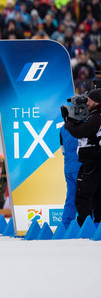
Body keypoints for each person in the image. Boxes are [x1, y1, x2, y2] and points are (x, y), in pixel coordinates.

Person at [63, 88, 101, 226]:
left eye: (89, 99)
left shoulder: (96, 117)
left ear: (96, 102)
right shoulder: (94, 117)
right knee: (97, 195)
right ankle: (97, 224)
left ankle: (84, 226)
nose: (87, 102)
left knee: (82, 196)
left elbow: (80, 132)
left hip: (91, 161)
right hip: (92, 160)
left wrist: (69, 121)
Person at [60, 125, 80, 229]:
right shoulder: (84, 124)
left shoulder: (63, 128)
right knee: (89, 196)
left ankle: (65, 226)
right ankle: (92, 225)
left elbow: (63, 150)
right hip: (81, 166)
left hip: (68, 167)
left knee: (71, 197)